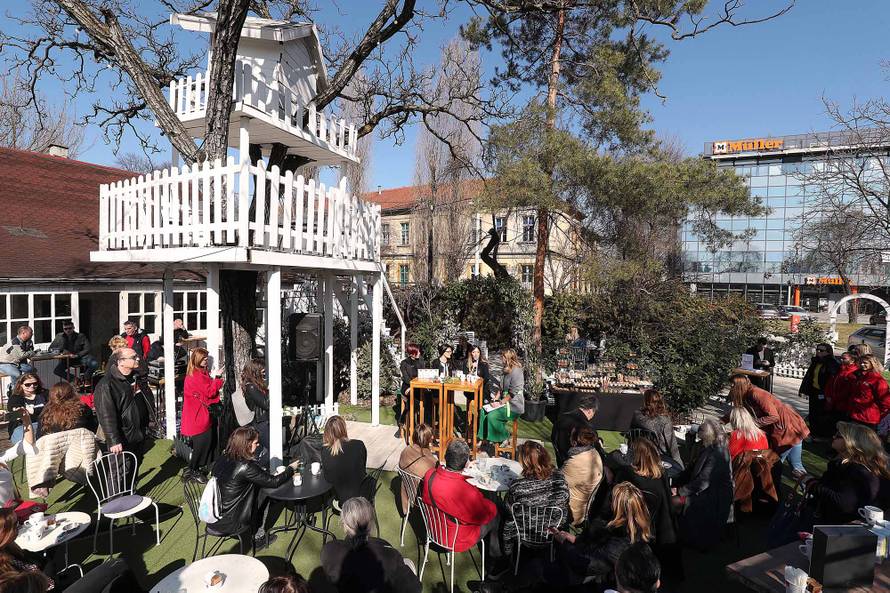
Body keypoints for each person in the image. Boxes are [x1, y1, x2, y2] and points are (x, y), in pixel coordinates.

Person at [547, 482, 653, 589]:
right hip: (585, 561)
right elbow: (594, 548)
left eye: (611, 498)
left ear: (618, 508)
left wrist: (564, 542)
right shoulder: (621, 525)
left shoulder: (622, 540)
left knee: (543, 572)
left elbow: (587, 565)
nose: (608, 501)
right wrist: (575, 540)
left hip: (593, 579)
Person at [211, 426, 299, 548]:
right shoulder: (246, 466)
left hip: (214, 512)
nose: (258, 445)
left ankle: (257, 530)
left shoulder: (223, 458)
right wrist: (291, 468)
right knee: (265, 492)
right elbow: (274, 482)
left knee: (260, 488)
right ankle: (258, 537)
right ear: (247, 444)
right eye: (256, 443)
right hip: (231, 520)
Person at [421, 440, 500, 566]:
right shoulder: (466, 491)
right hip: (456, 539)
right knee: (495, 515)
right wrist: (492, 504)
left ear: (445, 456)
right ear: (466, 462)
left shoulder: (429, 474)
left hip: (433, 530)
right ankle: (496, 560)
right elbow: (485, 515)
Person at [320, 497, 421, 593]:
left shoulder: (329, 551)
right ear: (371, 523)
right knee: (407, 563)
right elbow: (415, 589)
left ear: (344, 525)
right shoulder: (389, 554)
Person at [803, 421, 889, 524]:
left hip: (834, 527)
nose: (834, 437)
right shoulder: (875, 468)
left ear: (853, 442)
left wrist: (811, 484)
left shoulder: (856, 471)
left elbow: (843, 503)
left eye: (839, 435)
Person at [671, 418, 733, 550]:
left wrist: (680, 491)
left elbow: (703, 482)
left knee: (673, 502)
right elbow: (694, 468)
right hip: (706, 491)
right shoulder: (713, 447)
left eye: (702, 438)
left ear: (708, 436)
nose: (701, 441)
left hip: (713, 497)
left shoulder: (717, 454)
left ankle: (678, 536)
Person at [728, 374, 809, 476]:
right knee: (796, 465)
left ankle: (773, 486)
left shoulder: (756, 394)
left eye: (732, 385)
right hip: (792, 429)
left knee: (773, 465)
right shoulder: (747, 394)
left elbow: (774, 416)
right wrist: (722, 420)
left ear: (739, 385)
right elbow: (739, 411)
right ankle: (809, 485)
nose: (731, 388)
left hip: (787, 431)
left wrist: (752, 423)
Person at [503, 441, 569, 555]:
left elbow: (509, 510)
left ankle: (507, 554)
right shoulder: (560, 479)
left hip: (526, 532)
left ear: (524, 462)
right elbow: (565, 504)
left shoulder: (517, 487)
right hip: (552, 531)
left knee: (507, 520)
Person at [94, 348, 153, 467]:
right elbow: (106, 415)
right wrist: (114, 441)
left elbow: (146, 400)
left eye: (137, 356)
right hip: (123, 436)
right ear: (120, 362)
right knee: (120, 471)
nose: (138, 359)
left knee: (136, 465)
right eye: (133, 357)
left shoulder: (137, 378)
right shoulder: (106, 385)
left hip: (139, 432)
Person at [615, 438, 676, 548]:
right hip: (657, 529)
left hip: (633, 528)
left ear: (636, 456)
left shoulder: (628, 475)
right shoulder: (661, 475)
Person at [181, 348, 224, 482]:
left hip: (200, 415)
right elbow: (210, 392)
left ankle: (198, 468)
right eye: (204, 358)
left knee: (208, 443)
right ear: (197, 359)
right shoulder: (196, 375)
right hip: (198, 417)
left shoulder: (199, 373)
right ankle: (192, 471)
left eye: (206, 358)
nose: (206, 360)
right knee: (202, 446)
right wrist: (218, 378)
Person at [477, 348, 524, 449]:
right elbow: (501, 388)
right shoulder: (505, 370)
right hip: (503, 402)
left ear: (508, 358)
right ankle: (483, 438)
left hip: (514, 406)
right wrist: (495, 399)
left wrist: (500, 402)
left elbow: (513, 392)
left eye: (502, 356)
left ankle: (505, 436)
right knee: (483, 411)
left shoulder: (517, 371)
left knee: (492, 416)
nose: (501, 358)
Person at [321, 416, 375, 502]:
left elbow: (328, 478)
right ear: (344, 429)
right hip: (363, 494)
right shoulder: (359, 445)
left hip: (340, 499)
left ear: (327, 432)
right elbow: (363, 468)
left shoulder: (325, 451)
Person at [630, 389, 683, 468]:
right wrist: (681, 467)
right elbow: (673, 448)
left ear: (646, 401)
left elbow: (631, 435)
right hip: (658, 458)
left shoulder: (637, 416)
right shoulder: (664, 421)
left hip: (639, 454)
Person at [563, 427, 604, 525]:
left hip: (571, 512)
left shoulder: (577, 462)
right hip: (581, 508)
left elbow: (556, 483)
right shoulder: (593, 453)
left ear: (574, 441)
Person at [798, 343, 840, 436]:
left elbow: (832, 380)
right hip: (814, 391)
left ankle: (821, 434)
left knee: (822, 414)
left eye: (821, 350)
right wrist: (803, 390)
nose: (818, 352)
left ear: (828, 352)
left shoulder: (832, 363)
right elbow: (808, 376)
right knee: (813, 412)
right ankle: (813, 432)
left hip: (824, 393)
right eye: (817, 350)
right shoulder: (816, 362)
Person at [397, 423, 437, 513]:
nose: (433, 437)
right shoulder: (431, 462)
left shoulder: (405, 450)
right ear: (429, 440)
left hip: (408, 493)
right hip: (421, 499)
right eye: (431, 436)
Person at [552, 393, 599, 466]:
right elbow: (593, 451)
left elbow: (554, 438)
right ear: (590, 411)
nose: (592, 416)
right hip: (576, 465)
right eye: (594, 413)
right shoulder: (587, 427)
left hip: (561, 460)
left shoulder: (561, 418)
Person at [848, 354, 890, 430]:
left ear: (872, 364)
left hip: (869, 417)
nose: (862, 364)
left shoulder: (877, 380)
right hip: (856, 414)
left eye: (865, 363)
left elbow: (885, 401)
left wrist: (879, 413)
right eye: (861, 362)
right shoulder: (860, 377)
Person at [241, 359, 269, 464]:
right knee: (272, 448)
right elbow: (266, 404)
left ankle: (259, 466)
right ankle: (258, 467)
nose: (264, 373)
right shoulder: (251, 386)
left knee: (261, 449)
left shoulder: (256, 385)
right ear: (255, 371)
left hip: (263, 421)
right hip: (261, 422)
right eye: (262, 370)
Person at [6, 374, 46, 444]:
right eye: (27, 384)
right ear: (21, 385)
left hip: (43, 424)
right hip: (22, 426)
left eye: (35, 383)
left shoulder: (44, 394)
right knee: (25, 443)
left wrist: (33, 411)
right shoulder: (15, 397)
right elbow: (14, 414)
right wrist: (41, 410)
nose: (32, 386)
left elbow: (51, 408)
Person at [825, 351, 858, 425]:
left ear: (852, 360)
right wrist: (828, 395)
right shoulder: (841, 370)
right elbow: (831, 383)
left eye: (844, 358)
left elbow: (847, 391)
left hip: (844, 405)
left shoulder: (853, 372)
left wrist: (834, 398)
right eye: (841, 358)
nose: (841, 360)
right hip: (835, 403)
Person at [399, 343, 423, 427]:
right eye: (418, 351)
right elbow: (406, 379)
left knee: (417, 397)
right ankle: (415, 425)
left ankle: (405, 416)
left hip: (418, 387)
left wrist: (413, 387)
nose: (419, 353)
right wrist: (411, 387)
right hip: (407, 386)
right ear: (413, 353)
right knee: (414, 398)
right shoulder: (404, 363)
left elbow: (423, 374)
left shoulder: (421, 361)